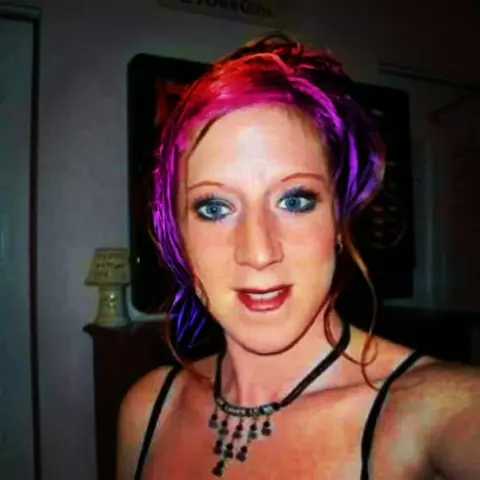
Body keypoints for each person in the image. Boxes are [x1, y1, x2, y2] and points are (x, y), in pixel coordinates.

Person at [117, 33, 480, 479]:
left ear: (339, 219)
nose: (259, 253)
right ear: (177, 234)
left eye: (294, 201)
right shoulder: (148, 410)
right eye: (214, 208)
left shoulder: (435, 412)